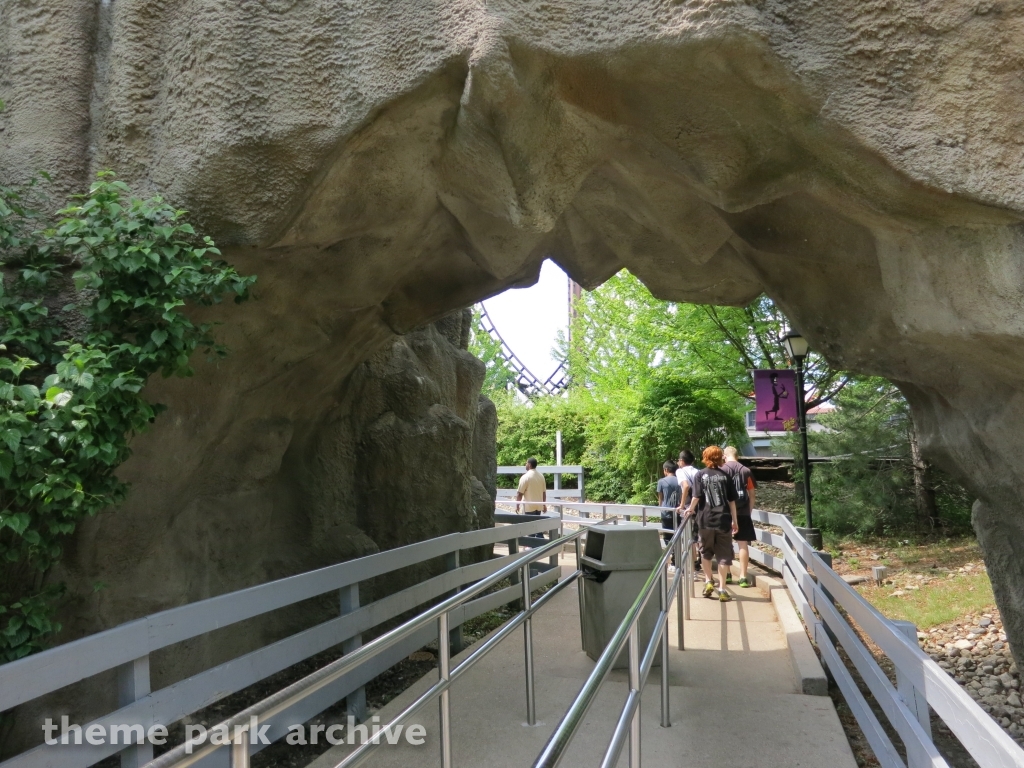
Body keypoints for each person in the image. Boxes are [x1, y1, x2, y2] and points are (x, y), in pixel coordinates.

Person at [683, 445, 739, 603]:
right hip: (723, 520)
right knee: (723, 555)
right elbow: (732, 501)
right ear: (720, 457)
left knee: (705, 552)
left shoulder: (700, 475)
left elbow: (696, 496)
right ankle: (722, 589)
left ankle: (708, 581)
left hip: (705, 520)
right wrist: (735, 521)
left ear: (706, 458)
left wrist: (690, 509)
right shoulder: (726, 476)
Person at [722, 446, 758, 588]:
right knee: (742, 544)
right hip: (743, 512)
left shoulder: (722, 470)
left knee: (725, 544)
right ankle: (743, 576)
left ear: (725, 455)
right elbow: (752, 494)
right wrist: (749, 511)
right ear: (737, 456)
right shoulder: (746, 471)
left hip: (725, 513)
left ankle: (728, 574)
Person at [675, 450, 701, 574]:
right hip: (699, 507)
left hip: (688, 506)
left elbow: (685, 486)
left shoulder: (680, 471)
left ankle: (691, 568)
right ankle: (695, 564)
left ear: (682, 461)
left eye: (678, 460)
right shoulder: (697, 471)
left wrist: (681, 505)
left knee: (687, 537)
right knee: (695, 537)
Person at [656, 460, 681, 547]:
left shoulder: (661, 481)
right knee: (677, 534)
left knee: (667, 536)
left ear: (666, 470)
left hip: (665, 512)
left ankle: (671, 553)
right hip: (678, 512)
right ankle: (677, 555)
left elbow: (660, 498)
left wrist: (660, 509)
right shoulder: (680, 480)